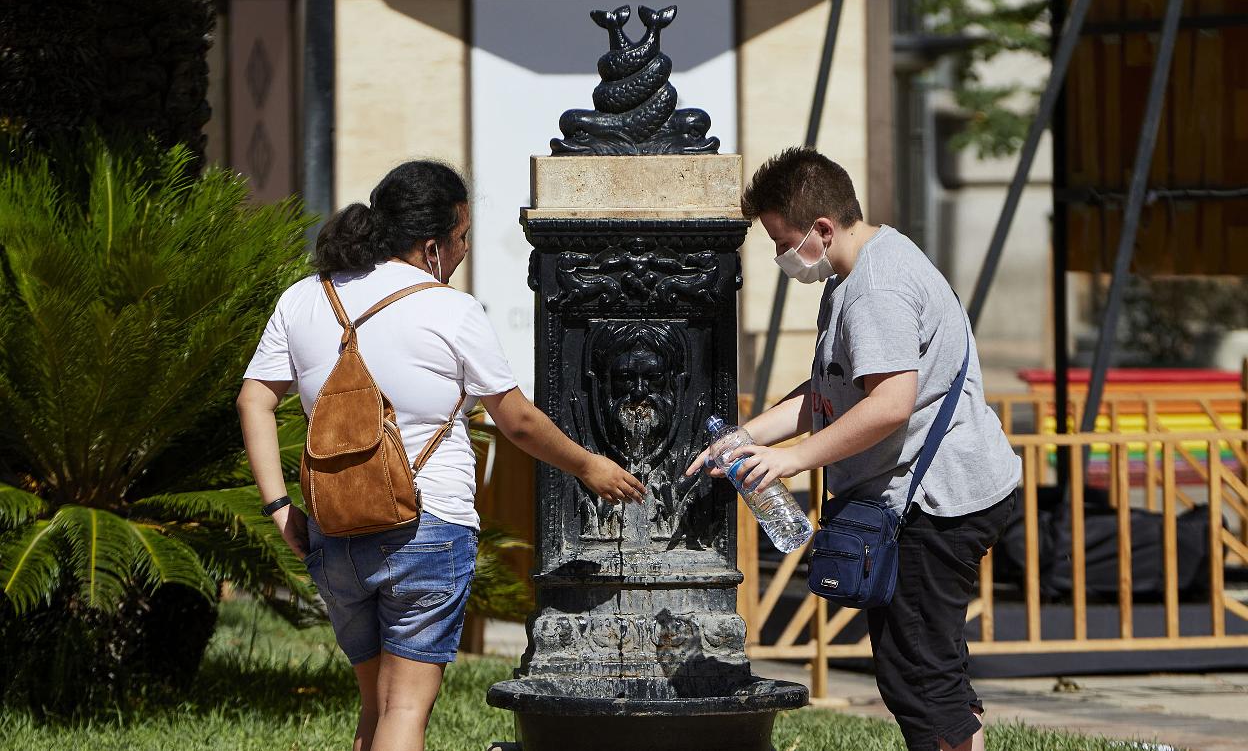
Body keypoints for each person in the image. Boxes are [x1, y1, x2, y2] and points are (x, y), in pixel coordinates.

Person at [237, 160, 644, 751]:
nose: (463, 252)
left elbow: (254, 400)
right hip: (427, 528)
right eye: (462, 239)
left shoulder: (306, 297)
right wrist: (589, 466)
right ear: (432, 246)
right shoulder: (452, 310)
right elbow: (518, 423)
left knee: (373, 710)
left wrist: (279, 505)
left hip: (334, 525)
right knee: (404, 711)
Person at [685, 147, 1021, 751]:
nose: (779, 256)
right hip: (932, 495)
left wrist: (791, 459)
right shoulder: (859, 271)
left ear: (820, 229)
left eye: (781, 241)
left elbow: (890, 402)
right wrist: (749, 437)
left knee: (919, 675)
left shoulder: (875, 289)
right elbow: (831, 391)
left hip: (936, 503)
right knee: (923, 664)